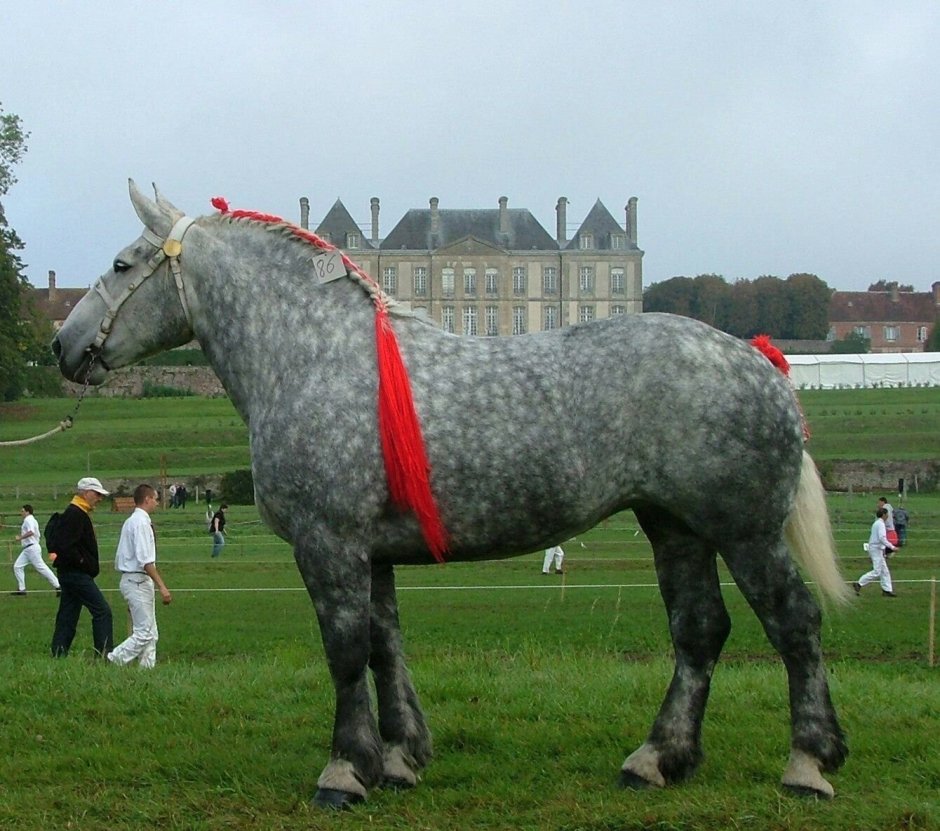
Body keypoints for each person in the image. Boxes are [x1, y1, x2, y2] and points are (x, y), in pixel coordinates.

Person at [107, 484, 172, 669]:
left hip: (135, 580)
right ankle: (114, 659)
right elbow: (145, 560)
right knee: (144, 633)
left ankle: (147, 670)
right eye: (156, 499)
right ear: (147, 499)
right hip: (137, 580)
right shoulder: (141, 523)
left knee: (151, 632)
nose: (157, 503)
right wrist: (162, 587)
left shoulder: (132, 521)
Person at [50, 477, 114, 657]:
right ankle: (104, 654)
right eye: (97, 494)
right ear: (86, 493)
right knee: (102, 611)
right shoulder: (75, 514)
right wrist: (82, 562)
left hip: (69, 573)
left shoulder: (77, 512)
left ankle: (58, 653)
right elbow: (65, 545)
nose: (100, 499)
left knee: (68, 615)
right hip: (76, 574)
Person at [11, 504, 60, 596]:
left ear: (27, 512)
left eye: (22, 511)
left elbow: (31, 532)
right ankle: (22, 589)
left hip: (31, 548)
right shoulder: (31, 520)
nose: (21, 513)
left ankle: (58, 586)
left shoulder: (28, 520)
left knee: (41, 568)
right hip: (28, 549)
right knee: (17, 566)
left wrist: (20, 537)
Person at [853, 507, 897, 598]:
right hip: (876, 549)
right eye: (887, 514)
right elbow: (882, 538)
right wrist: (892, 547)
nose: (888, 516)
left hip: (877, 549)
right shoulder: (880, 524)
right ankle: (859, 584)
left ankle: (887, 590)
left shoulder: (877, 523)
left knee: (885, 571)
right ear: (884, 515)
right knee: (877, 571)